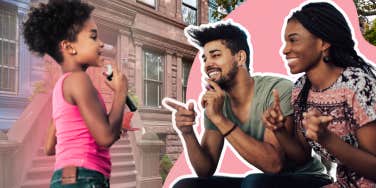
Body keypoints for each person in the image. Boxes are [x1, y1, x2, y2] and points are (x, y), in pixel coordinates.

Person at [163, 21, 331, 188]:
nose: (207, 64)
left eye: (215, 55)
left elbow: (274, 165)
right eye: (205, 59)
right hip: (264, 183)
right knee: (185, 186)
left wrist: (220, 119)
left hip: (309, 179)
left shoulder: (277, 90)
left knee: (254, 183)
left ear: (240, 57)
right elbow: (205, 170)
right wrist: (187, 132)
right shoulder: (217, 103)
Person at [265, 2, 376, 187]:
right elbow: (301, 156)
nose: (285, 49)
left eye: (293, 40)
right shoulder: (301, 89)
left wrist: (327, 139)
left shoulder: (357, 84)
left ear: (323, 43)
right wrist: (280, 131)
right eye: (285, 41)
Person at [23, 1, 128, 187]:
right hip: (85, 177)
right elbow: (105, 138)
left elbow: (49, 147)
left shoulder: (61, 87)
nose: (101, 43)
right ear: (69, 47)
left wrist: (111, 126)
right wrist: (120, 92)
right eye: (93, 37)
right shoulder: (80, 80)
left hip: (62, 178)